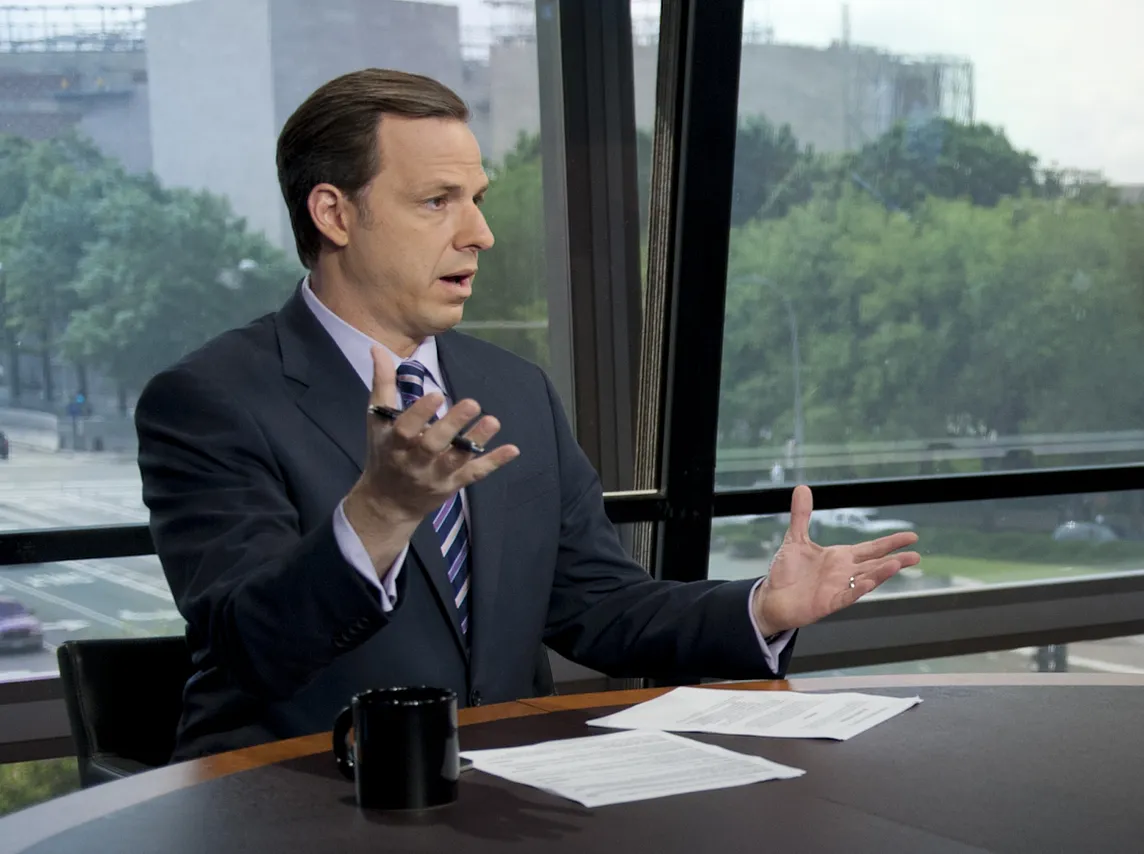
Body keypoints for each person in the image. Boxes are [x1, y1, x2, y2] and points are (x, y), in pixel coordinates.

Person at [135, 69, 920, 761]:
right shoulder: (209, 401)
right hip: (297, 802)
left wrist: (762, 608)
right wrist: (378, 515)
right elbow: (250, 649)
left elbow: (599, 607)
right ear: (335, 215)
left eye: (476, 200)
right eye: (437, 202)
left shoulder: (513, 389)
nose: (480, 234)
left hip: (499, 793)